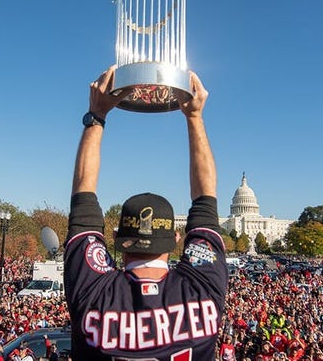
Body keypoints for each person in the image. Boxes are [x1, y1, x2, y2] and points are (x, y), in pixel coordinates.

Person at [63, 66, 228, 360]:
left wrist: (96, 116)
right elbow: (206, 200)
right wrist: (194, 117)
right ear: (176, 239)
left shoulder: (94, 293)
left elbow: (83, 202)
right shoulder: (203, 289)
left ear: (116, 238)